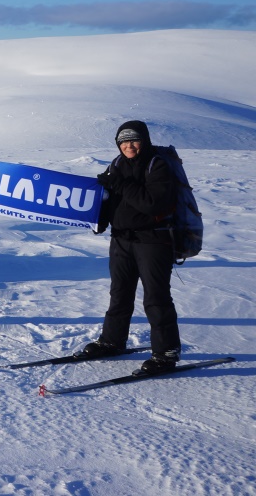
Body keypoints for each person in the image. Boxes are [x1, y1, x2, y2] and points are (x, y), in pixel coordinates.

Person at [75, 120, 182, 375]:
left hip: (153, 241)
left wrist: (119, 184)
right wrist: (100, 219)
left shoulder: (158, 165)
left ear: (143, 140)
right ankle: (112, 340)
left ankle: (166, 352)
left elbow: (152, 204)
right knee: (119, 293)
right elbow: (113, 199)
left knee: (156, 298)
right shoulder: (117, 164)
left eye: (133, 140)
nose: (129, 146)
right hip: (121, 239)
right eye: (123, 141)